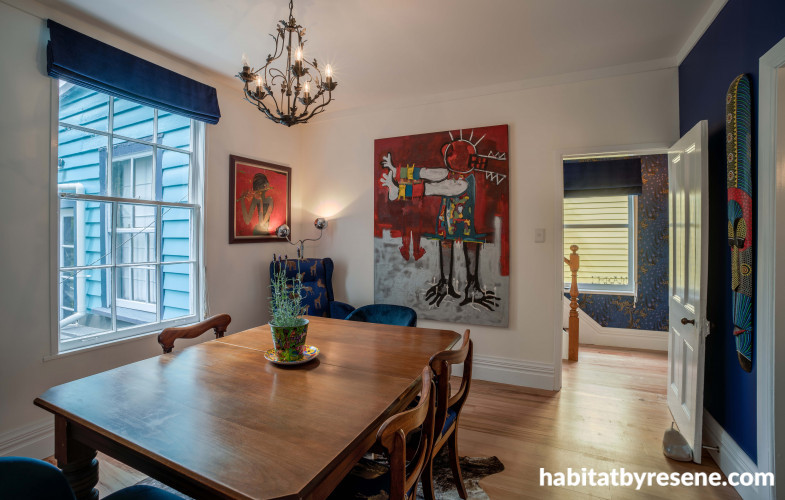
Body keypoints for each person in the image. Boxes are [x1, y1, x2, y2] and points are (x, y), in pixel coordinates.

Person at [379, 137, 500, 311]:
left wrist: (399, 190)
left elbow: (431, 188)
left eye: (451, 156)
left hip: (466, 225)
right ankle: (446, 284)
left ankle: (471, 286)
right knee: (446, 247)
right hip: (448, 222)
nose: (448, 159)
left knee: (470, 249)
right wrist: (396, 170)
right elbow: (425, 173)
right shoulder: (452, 174)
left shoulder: (461, 183)